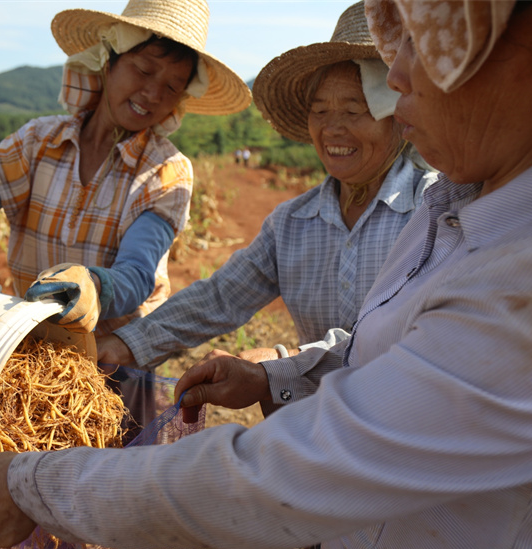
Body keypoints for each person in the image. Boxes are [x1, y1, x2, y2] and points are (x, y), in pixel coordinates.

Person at [0, 0, 532, 549]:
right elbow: (332, 339)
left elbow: (300, 470)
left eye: (419, 45)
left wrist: (32, 486)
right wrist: (266, 376)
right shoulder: (447, 212)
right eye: (324, 110)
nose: (397, 76)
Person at [98, 0, 435, 403]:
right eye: (320, 110)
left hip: (410, 426)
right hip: (313, 432)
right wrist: (127, 345)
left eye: (355, 109)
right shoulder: (293, 223)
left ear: (396, 114)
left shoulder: (433, 210)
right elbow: (220, 297)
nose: (333, 128)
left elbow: (397, 332)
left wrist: (278, 366)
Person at [0, 0, 251, 340]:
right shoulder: (38, 141)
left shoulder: (165, 172)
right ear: (109, 61)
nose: (153, 94)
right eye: (144, 70)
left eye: (171, 86)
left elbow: (137, 273)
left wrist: (94, 285)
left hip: (111, 353)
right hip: (27, 339)